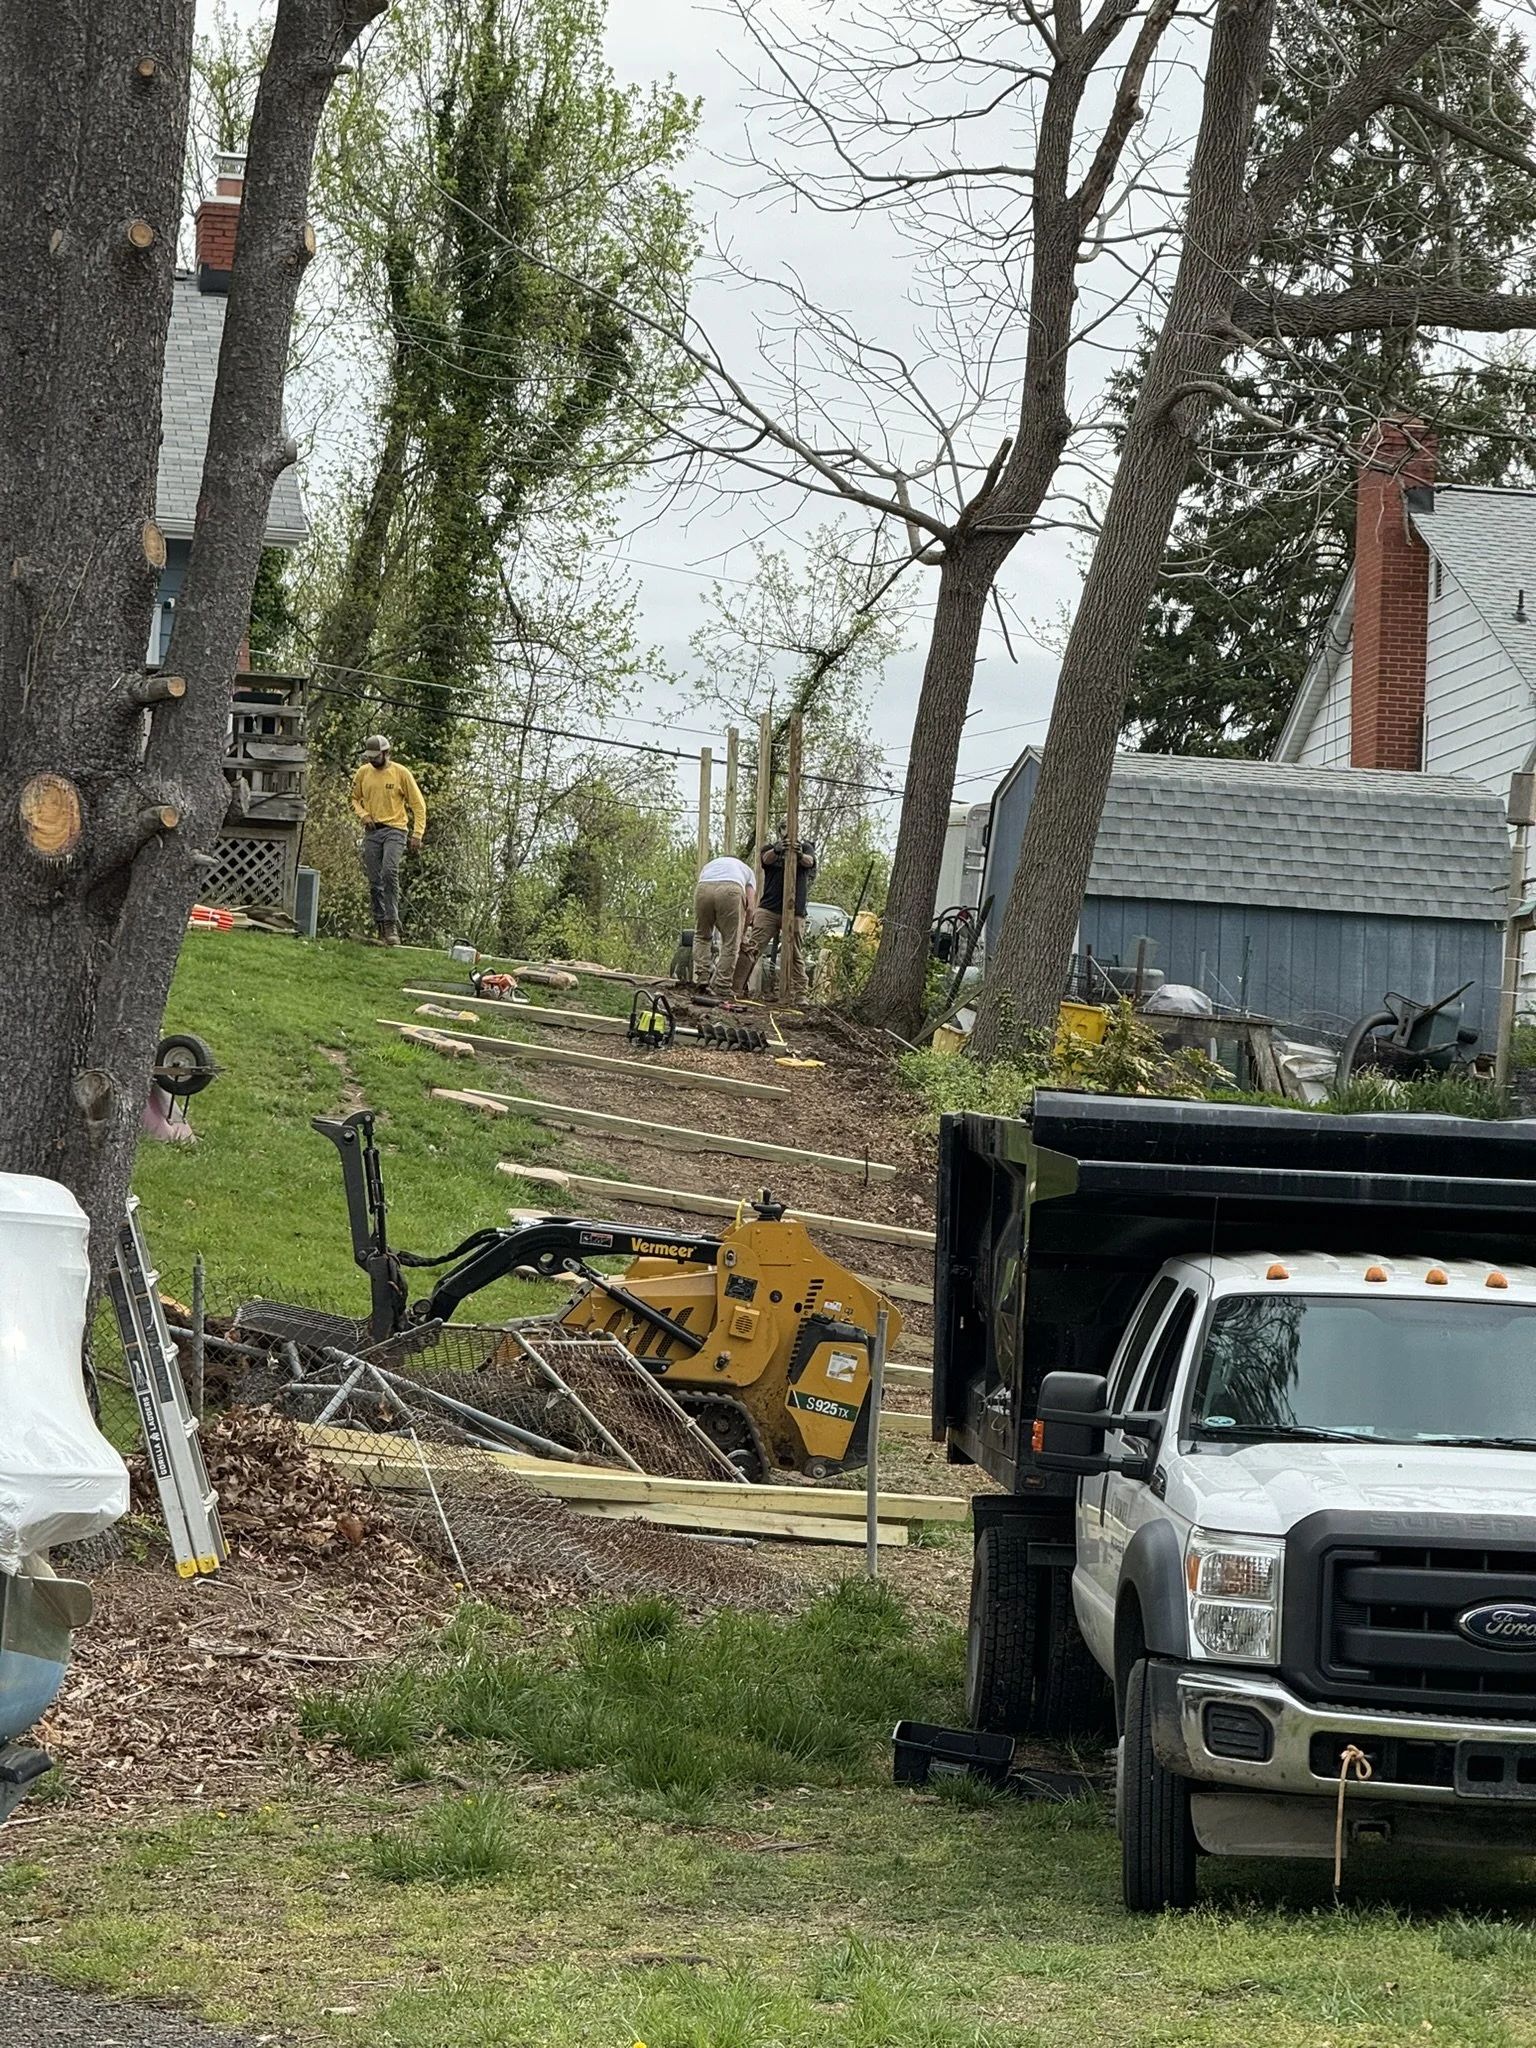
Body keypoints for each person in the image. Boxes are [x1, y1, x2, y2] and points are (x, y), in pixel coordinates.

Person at [349, 734, 426, 946]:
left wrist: (417, 833)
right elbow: (354, 799)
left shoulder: (401, 773)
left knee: (389, 872)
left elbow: (418, 805)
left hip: (396, 830)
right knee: (374, 881)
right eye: (370, 757)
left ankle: (392, 923)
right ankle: (380, 924)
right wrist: (363, 815)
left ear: (386, 753)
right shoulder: (363, 773)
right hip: (373, 831)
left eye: (376, 756)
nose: (372, 760)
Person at [735, 829, 817, 1001]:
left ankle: (800, 994)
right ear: (780, 832)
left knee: (794, 952)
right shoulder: (770, 848)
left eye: (791, 827)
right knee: (753, 947)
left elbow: (810, 862)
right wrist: (778, 850)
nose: (788, 832)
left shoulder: (806, 847)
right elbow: (765, 859)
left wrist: (799, 855)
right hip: (769, 908)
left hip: (795, 910)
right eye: (784, 828)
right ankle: (736, 987)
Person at [691, 851, 756, 997]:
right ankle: (722, 985)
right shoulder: (747, 870)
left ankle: (702, 977)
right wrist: (742, 932)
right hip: (731, 889)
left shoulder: (710, 865)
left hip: (703, 888)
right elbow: (751, 907)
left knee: (702, 935)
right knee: (731, 942)